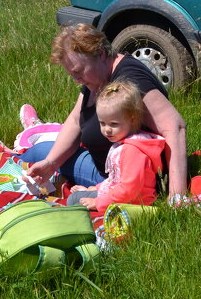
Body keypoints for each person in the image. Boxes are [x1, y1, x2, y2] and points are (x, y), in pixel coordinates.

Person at [23, 23, 188, 200]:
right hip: (103, 163)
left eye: (79, 71)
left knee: (36, 152)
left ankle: (29, 136)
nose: (77, 80)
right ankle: (35, 131)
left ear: (100, 53)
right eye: (72, 75)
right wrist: (51, 164)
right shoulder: (97, 77)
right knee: (44, 154)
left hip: (120, 179)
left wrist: (177, 195)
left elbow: (175, 127)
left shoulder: (131, 81)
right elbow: (75, 120)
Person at [66, 81, 166, 214]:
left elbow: (129, 189)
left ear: (132, 119)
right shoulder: (125, 144)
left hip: (133, 204)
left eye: (113, 124)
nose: (107, 130)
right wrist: (95, 188)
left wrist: (98, 202)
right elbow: (116, 179)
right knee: (77, 197)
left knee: (74, 200)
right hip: (122, 197)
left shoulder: (133, 150)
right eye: (102, 123)